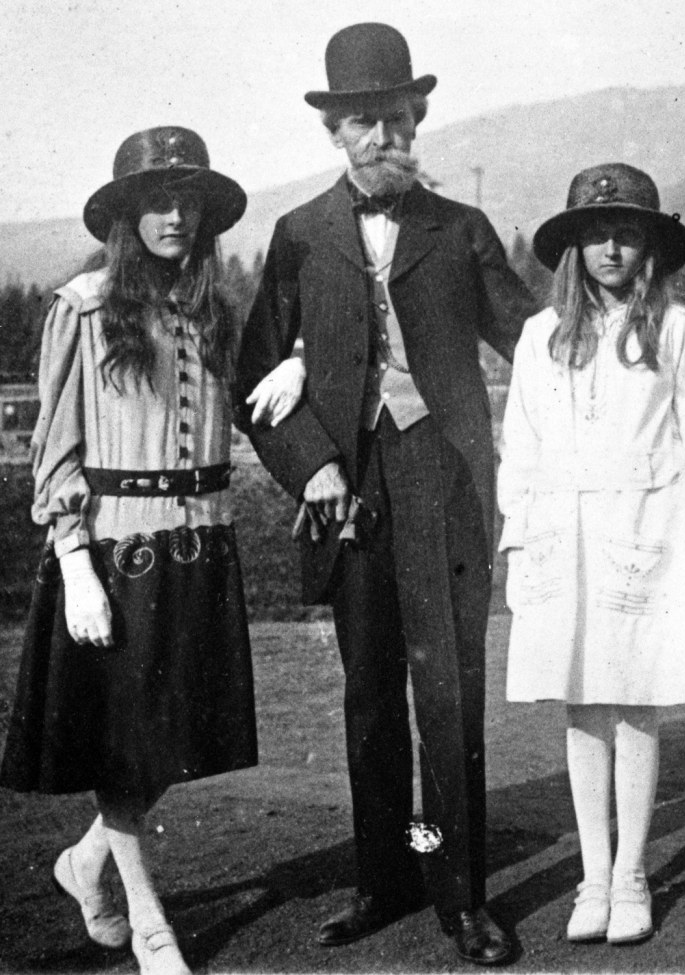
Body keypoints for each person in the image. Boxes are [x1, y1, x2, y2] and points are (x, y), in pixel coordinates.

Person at [234, 22, 536, 967]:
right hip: (349, 488)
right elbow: (254, 380)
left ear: (418, 120)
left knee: (446, 696)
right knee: (368, 695)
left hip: (444, 484)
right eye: (366, 120)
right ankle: (383, 880)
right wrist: (312, 461)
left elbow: (532, 346)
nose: (385, 134)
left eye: (399, 117)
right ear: (335, 132)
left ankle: (460, 894)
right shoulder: (299, 238)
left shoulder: (463, 230)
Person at [0, 126, 304, 975]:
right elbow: (54, 449)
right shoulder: (85, 305)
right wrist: (73, 565)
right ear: (126, 213)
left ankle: (88, 859)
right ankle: (148, 917)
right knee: (126, 743)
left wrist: (300, 364)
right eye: (158, 201)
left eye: (189, 201)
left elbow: (241, 405)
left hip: (202, 548)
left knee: (175, 738)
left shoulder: (214, 307)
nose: (175, 215)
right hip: (113, 552)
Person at [497, 162, 685, 945]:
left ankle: (634, 870)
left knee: (635, 694)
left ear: (649, 248)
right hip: (564, 533)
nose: (610, 247)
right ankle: (593, 876)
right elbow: (524, 443)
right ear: (573, 248)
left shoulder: (673, 330)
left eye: (627, 233)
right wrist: (518, 535)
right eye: (595, 234)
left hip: (646, 526)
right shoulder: (542, 336)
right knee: (584, 699)